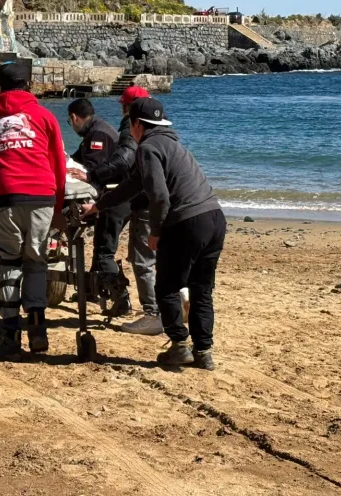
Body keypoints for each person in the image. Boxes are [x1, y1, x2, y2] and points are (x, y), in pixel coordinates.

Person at [83, 98, 226, 370]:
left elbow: (159, 196)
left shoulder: (148, 147)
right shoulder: (172, 144)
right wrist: (98, 206)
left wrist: (157, 232)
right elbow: (132, 186)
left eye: (130, 124)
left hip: (187, 221)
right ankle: (204, 351)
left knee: (167, 287)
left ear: (137, 124)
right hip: (215, 218)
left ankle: (180, 345)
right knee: (201, 289)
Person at [0, 62, 67, 361]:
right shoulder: (44, 116)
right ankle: (38, 327)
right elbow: (57, 164)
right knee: (36, 260)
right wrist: (58, 204)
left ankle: (10, 332)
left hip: (6, 198)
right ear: (28, 85)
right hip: (42, 195)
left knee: (9, 263)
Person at [67, 85, 161, 334]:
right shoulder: (160, 129)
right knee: (148, 256)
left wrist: (92, 176)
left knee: (116, 253)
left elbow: (124, 160)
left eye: (123, 105)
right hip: (148, 198)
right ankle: (153, 304)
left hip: (131, 196)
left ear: (128, 108)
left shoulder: (131, 127)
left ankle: (135, 305)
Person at [67, 98, 131, 315]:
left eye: (70, 122)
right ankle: (93, 291)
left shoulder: (99, 134)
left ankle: (122, 298)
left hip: (114, 198)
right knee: (100, 245)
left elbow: (96, 172)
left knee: (104, 250)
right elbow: (76, 160)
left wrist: (93, 204)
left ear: (74, 118)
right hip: (117, 197)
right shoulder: (93, 132)